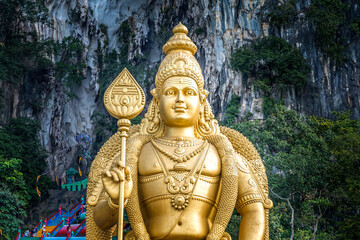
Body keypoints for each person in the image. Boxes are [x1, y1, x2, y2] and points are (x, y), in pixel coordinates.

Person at [87, 23, 272, 240]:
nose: (180, 100)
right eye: (171, 92)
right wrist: (115, 201)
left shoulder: (224, 154)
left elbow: (253, 209)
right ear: (157, 100)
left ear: (202, 101)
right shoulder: (132, 154)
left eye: (189, 92)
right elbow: (100, 221)